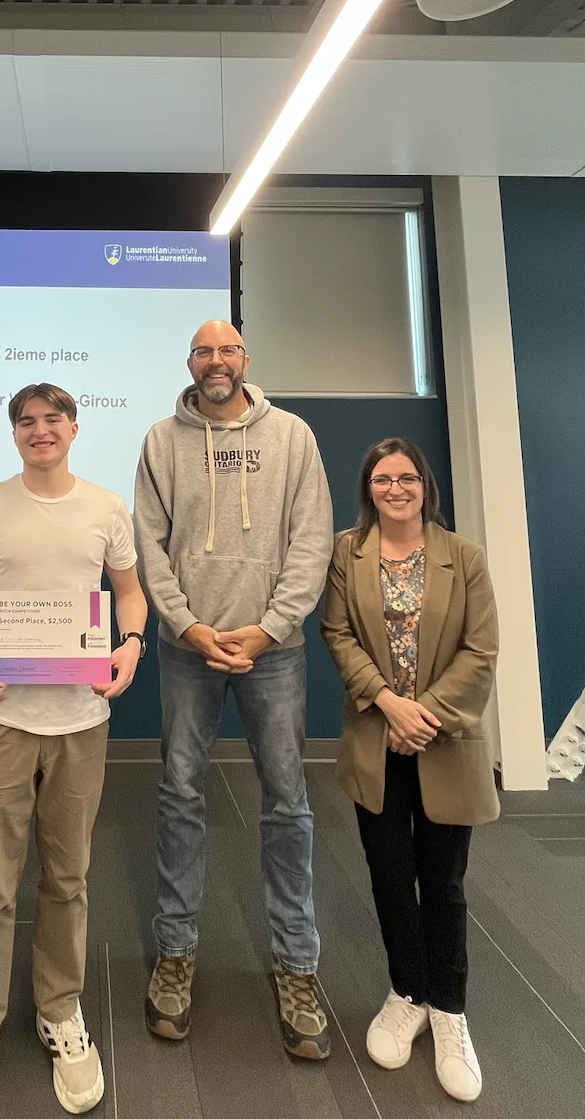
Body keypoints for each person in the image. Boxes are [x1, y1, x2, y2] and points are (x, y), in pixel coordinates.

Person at [0, 383, 148, 1119]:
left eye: (53, 419)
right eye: (26, 421)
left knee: (68, 878)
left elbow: (129, 592)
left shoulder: (105, 507)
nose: (40, 430)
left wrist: (131, 644)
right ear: (14, 433)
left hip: (81, 721)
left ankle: (60, 1009)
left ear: (75, 429)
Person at [134, 319, 334, 1057]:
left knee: (287, 803)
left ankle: (297, 963)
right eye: (203, 352)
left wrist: (270, 628)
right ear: (189, 363)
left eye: (227, 350)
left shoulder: (293, 437)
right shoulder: (161, 441)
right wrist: (187, 625)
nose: (215, 361)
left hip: (272, 652)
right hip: (187, 649)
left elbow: (312, 541)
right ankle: (175, 953)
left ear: (245, 359)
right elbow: (148, 544)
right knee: (180, 794)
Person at [321, 437, 498, 1103]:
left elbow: (481, 650)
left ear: (426, 485)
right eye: (381, 479)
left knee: (443, 882)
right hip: (377, 736)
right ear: (368, 489)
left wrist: (423, 716)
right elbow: (337, 634)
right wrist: (389, 703)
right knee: (391, 876)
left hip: (442, 741)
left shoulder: (465, 557)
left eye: (406, 478)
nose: (394, 489)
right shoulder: (347, 553)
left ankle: (449, 1010)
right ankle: (408, 993)